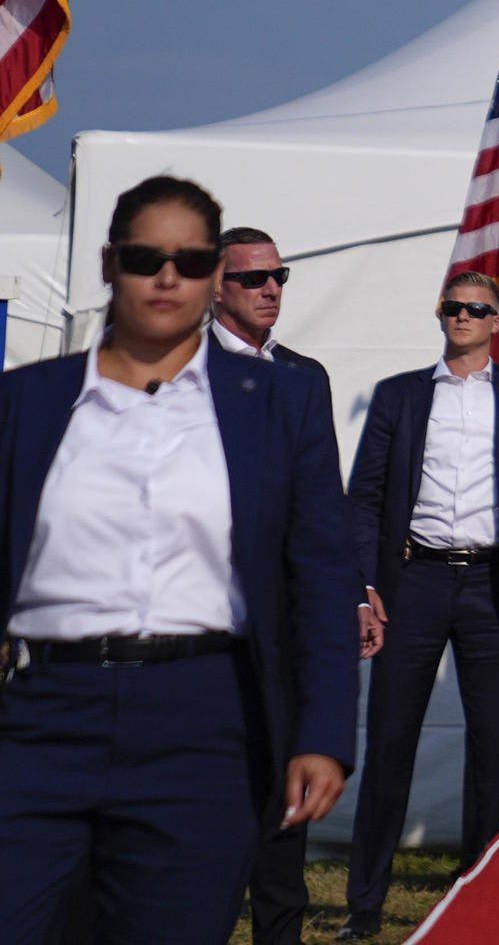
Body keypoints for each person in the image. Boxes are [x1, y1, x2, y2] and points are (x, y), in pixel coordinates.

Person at [0, 176, 355, 945]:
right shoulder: (24, 401)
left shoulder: (279, 403)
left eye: (190, 262)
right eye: (144, 257)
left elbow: (322, 576)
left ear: (210, 279)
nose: (168, 278)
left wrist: (323, 730)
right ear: (108, 264)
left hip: (204, 719)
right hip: (43, 709)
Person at [338, 267, 499, 939]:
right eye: (454, 307)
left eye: (477, 309)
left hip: (497, 588)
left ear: (498, 324)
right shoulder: (400, 397)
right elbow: (365, 497)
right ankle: (364, 908)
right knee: (389, 742)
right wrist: (364, 587)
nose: (464, 317)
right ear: (440, 315)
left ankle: (484, 895)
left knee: (496, 747)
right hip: (412, 585)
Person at [212, 226, 336, 945]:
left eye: (280, 277)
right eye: (255, 279)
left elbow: (324, 503)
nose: (271, 291)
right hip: (204, 627)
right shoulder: (182, 368)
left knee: (284, 801)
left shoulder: (304, 376)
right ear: (216, 287)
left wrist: (349, 593)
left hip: (286, 629)